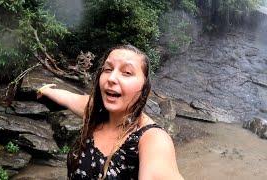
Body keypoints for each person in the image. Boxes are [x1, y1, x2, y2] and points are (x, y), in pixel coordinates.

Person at [37, 44, 184, 180]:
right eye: (107, 69)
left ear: (144, 87)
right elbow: (69, 98)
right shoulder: (97, 113)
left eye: (127, 72)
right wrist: (46, 90)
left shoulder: (153, 140)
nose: (112, 78)